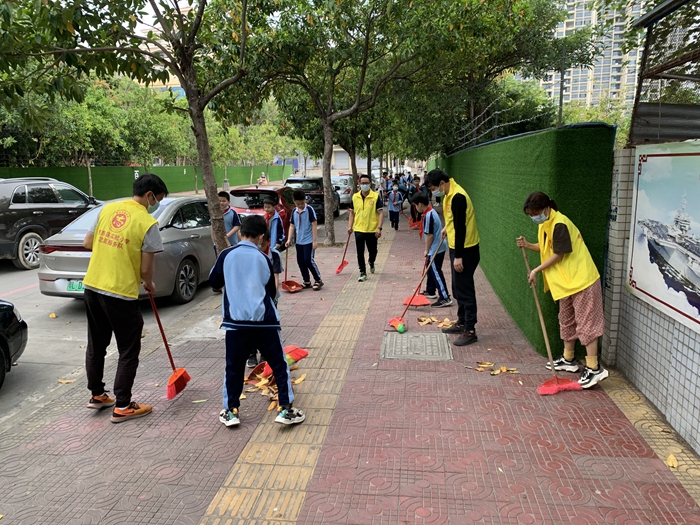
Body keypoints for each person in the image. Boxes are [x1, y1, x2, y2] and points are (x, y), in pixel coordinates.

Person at [82, 173, 168, 423]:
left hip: (92, 286)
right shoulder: (148, 223)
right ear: (150, 195)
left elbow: (88, 243)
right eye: (158, 199)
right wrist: (149, 284)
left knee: (96, 343)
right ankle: (122, 404)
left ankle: (97, 394)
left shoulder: (107, 209)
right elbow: (145, 270)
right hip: (119, 292)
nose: (156, 204)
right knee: (129, 348)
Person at [210, 215, 305, 426]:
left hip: (236, 323)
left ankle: (231, 411)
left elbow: (214, 281)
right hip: (265, 323)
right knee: (278, 364)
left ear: (241, 232)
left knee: (233, 367)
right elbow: (271, 291)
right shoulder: (263, 258)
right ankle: (285, 409)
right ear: (261, 236)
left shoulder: (226, 255)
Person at [516, 191, 608, 388]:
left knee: (586, 323)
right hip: (566, 284)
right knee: (566, 319)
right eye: (531, 214)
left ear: (546, 208)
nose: (534, 217)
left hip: (582, 280)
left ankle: (594, 368)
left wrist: (536, 270)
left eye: (535, 213)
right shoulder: (546, 224)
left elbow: (559, 254)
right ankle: (569, 359)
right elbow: (545, 247)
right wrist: (528, 245)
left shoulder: (560, 223)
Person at [426, 169, 480, 346]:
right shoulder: (450, 193)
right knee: (457, 288)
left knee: (465, 290)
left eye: (434, 187)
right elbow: (453, 221)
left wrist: (458, 256)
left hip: (465, 250)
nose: (434, 191)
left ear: (442, 183)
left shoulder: (458, 196)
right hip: (457, 247)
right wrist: (446, 229)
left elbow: (461, 227)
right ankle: (462, 322)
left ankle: (470, 330)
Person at [247, 228, 284, 368]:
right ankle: (251, 354)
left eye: (262, 245)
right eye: (257, 244)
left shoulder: (274, 255)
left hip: (269, 296)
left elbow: (275, 277)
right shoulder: (251, 254)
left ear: (268, 242)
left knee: (267, 326)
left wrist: (273, 297)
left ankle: (264, 353)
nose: (259, 248)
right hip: (252, 296)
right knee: (251, 326)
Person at [413, 192, 451, 308]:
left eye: (415, 205)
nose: (415, 207)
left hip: (435, 248)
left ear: (420, 204)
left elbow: (429, 235)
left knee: (435, 271)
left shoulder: (429, 215)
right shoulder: (431, 211)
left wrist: (426, 250)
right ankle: (430, 291)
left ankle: (445, 297)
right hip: (438, 246)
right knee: (430, 270)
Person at [348, 173, 383, 282]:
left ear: (370, 183)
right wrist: (350, 226)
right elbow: (352, 213)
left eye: (366, 183)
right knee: (360, 252)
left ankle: (371, 262)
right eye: (363, 183)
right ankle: (362, 272)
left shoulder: (376, 196)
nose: (365, 185)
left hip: (372, 229)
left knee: (373, 251)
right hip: (358, 229)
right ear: (359, 183)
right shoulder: (355, 197)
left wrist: (379, 228)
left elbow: (380, 213)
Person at [286, 190, 323, 290]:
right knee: (300, 261)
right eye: (298, 204)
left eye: (302, 203)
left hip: (309, 241)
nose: (300, 205)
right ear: (294, 202)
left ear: (305, 200)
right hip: (299, 241)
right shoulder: (294, 211)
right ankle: (306, 280)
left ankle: (318, 279)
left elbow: (314, 224)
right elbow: (292, 225)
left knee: (308, 260)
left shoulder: (309, 209)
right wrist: (289, 239)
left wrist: (314, 241)